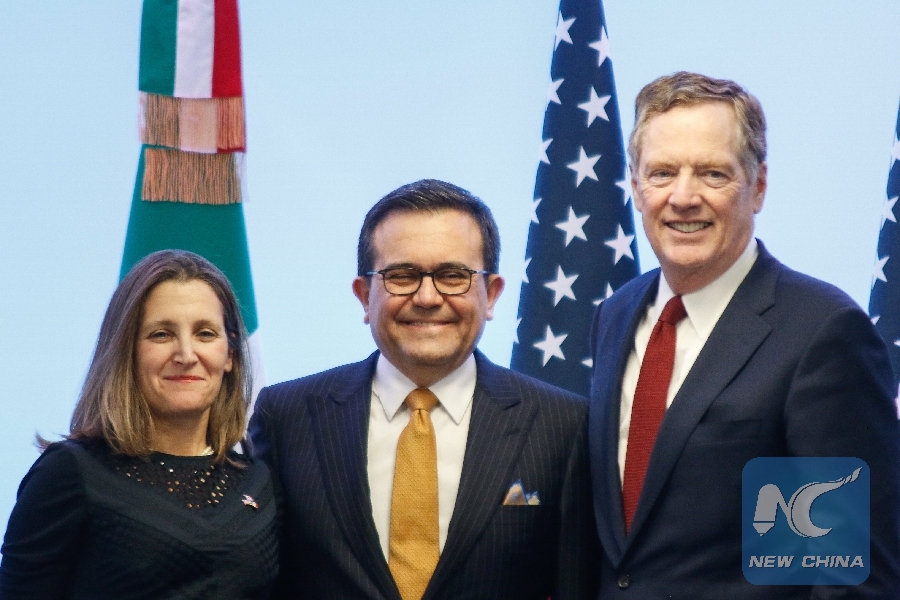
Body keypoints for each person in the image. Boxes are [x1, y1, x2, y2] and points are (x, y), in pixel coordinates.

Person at [588, 71, 900, 598]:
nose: (683, 197)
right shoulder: (614, 315)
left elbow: (850, 574)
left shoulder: (823, 333)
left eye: (713, 174)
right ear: (636, 188)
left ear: (757, 187)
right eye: (662, 173)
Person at [250, 179, 598, 599]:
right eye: (402, 276)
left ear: (491, 295)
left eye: (453, 276)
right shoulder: (286, 417)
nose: (428, 297)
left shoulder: (563, 426)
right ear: (364, 296)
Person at [0, 250, 278, 599]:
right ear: (126, 352)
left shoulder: (259, 481)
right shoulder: (70, 473)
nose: (186, 354)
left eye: (205, 333)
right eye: (161, 334)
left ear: (231, 356)